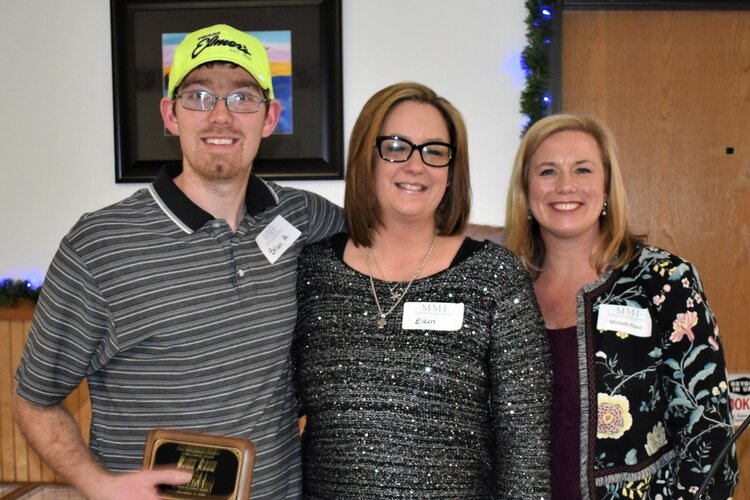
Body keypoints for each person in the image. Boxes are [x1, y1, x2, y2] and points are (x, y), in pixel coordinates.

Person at [12, 24, 343, 499]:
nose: (222, 117)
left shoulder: (302, 217)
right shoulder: (99, 245)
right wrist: (97, 485)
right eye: (200, 96)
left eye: (243, 98)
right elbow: (34, 401)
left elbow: (390, 238)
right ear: (171, 114)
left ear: (269, 118)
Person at [292, 82, 552, 498]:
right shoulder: (313, 270)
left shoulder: (495, 276)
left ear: (451, 172)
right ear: (366, 158)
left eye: (434, 151)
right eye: (396, 146)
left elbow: (525, 449)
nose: (416, 165)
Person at [504, 113, 739, 498]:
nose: (565, 186)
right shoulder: (503, 290)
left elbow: (709, 431)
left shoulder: (663, 279)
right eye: (547, 171)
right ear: (526, 191)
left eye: (582, 169)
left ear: (608, 188)